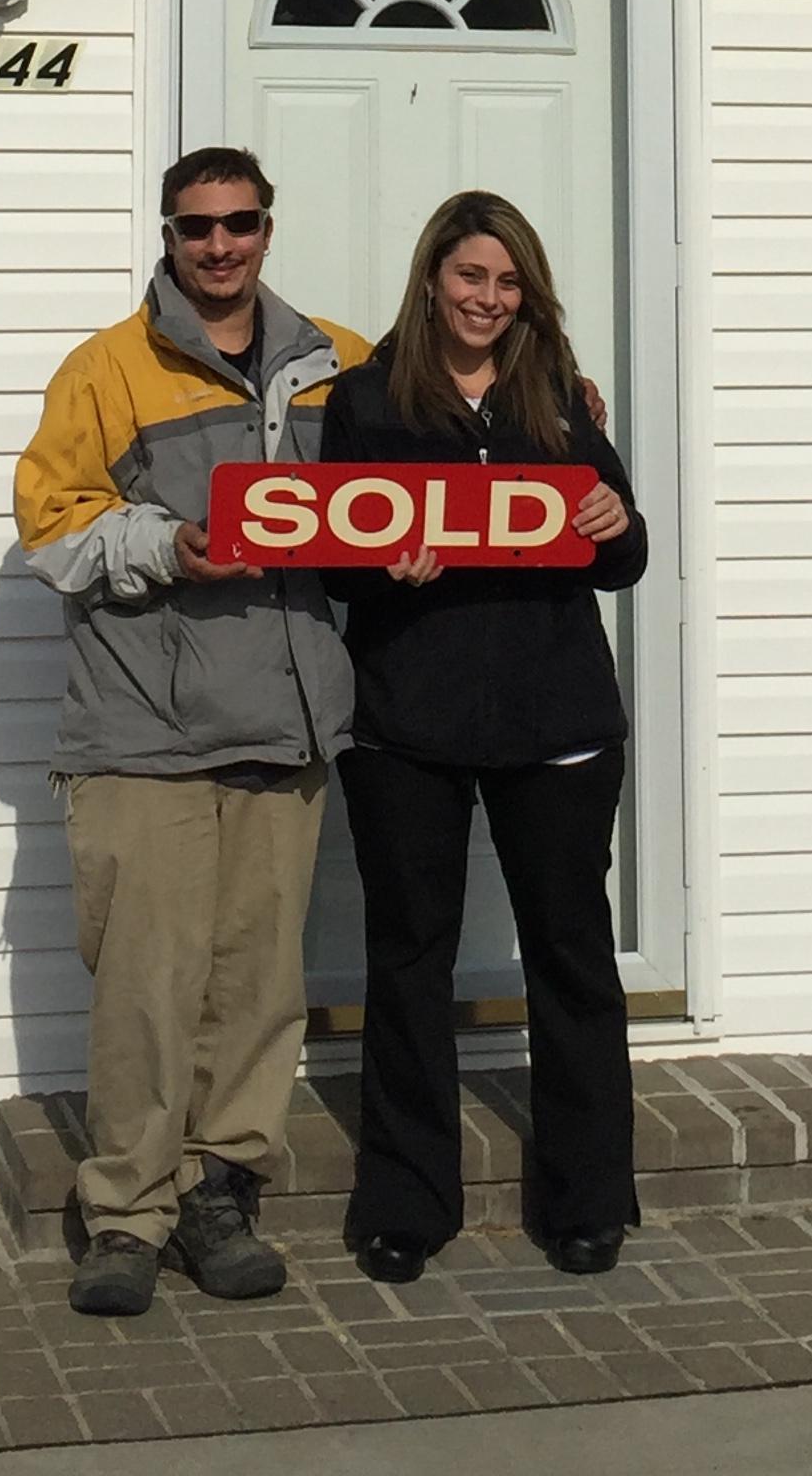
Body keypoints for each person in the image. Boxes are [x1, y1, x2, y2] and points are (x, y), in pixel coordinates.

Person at [14, 147, 367, 1320]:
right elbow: (54, 530)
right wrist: (168, 546)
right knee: (146, 990)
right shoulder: (108, 371)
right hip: (144, 733)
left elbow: (440, 452)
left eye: (240, 224)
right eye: (195, 227)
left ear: (270, 228)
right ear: (167, 236)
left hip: (287, 721)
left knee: (257, 988)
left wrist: (562, 398)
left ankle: (222, 1191)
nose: (219, 247)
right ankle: (124, 1216)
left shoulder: (339, 364)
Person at [320, 189, 647, 1282]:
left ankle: (589, 1199)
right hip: (408, 721)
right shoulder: (367, 399)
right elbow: (330, 555)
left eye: (507, 283)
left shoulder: (559, 394)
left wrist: (616, 518)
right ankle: (406, 1205)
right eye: (472, 277)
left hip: (557, 721)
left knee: (572, 958)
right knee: (407, 960)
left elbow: (621, 551)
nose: (488, 299)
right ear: (432, 280)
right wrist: (380, 564)